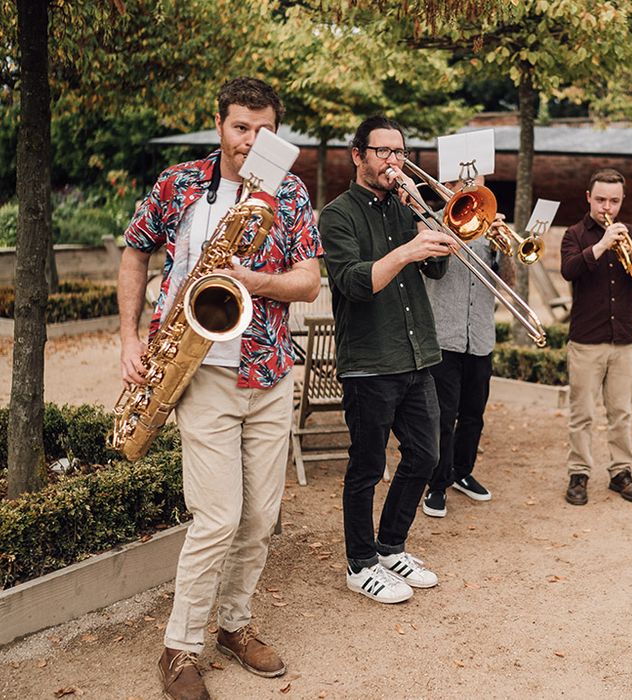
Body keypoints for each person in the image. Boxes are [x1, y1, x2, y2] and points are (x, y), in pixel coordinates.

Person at [118, 77, 322, 700]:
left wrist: (255, 282)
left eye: (263, 130)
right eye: (240, 127)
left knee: (260, 517)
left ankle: (234, 624)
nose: (250, 141)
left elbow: (310, 280)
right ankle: (179, 648)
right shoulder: (179, 184)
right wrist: (128, 339)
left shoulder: (288, 191)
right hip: (199, 368)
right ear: (219, 124)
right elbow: (135, 253)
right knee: (217, 517)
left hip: (267, 372)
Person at [318, 115, 456, 604]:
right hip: (370, 361)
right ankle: (359, 563)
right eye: (384, 152)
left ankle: (391, 545)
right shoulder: (336, 215)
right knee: (367, 466)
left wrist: (437, 225)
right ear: (358, 155)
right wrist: (406, 250)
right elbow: (354, 282)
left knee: (427, 454)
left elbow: (436, 266)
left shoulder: (405, 208)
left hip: (417, 354)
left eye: (400, 153)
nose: (394, 162)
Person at [421, 177, 512, 518]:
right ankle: (437, 483)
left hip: (481, 336)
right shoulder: (430, 222)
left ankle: (462, 472)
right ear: (446, 182)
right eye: (462, 180)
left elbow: (508, 286)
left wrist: (506, 252)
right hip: (445, 335)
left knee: (473, 415)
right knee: (443, 417)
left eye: (475, 180)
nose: (469, 185)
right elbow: (431, 273)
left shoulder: (492, 227)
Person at [560, 168, 632, 507]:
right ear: (588, 198)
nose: (606, 206)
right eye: (600, 199)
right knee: (582, 413)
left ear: (622, 201)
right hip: (586, 340)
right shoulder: (575, 233)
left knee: (621, 412)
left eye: (613, 200)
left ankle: (621, 472)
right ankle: (579, 473)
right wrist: (600, 247)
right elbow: (569, 270)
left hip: (624, 338)